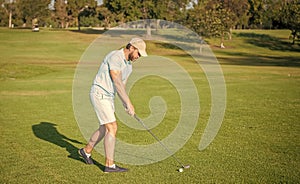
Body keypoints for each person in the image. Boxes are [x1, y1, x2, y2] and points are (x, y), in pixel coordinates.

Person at [78, 38, 147, 173]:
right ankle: (109, 165)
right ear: (132, 48)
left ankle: (86, 151)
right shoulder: (115, 56)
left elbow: (122, 86)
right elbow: (116, 80)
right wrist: (129, 103)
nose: (139, 57)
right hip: (99, 93)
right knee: (112, 128)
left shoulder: (129, 66)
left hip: (109, 97)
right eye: (139, 53)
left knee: (104, 128)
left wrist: (125, 104)